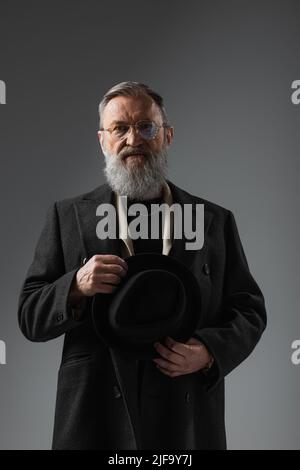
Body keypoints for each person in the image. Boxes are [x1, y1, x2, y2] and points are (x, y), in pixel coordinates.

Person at [18, 81, 267, 450]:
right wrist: (76, 284)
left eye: (145, 127)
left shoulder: (213, 220)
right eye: (119, 128)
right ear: (102, 140)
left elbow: (250, 309)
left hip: (183, 409)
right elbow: (29, 316)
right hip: (95, 410)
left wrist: (209, 352)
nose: (133, 139)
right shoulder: (67, 216)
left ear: (167, 136)